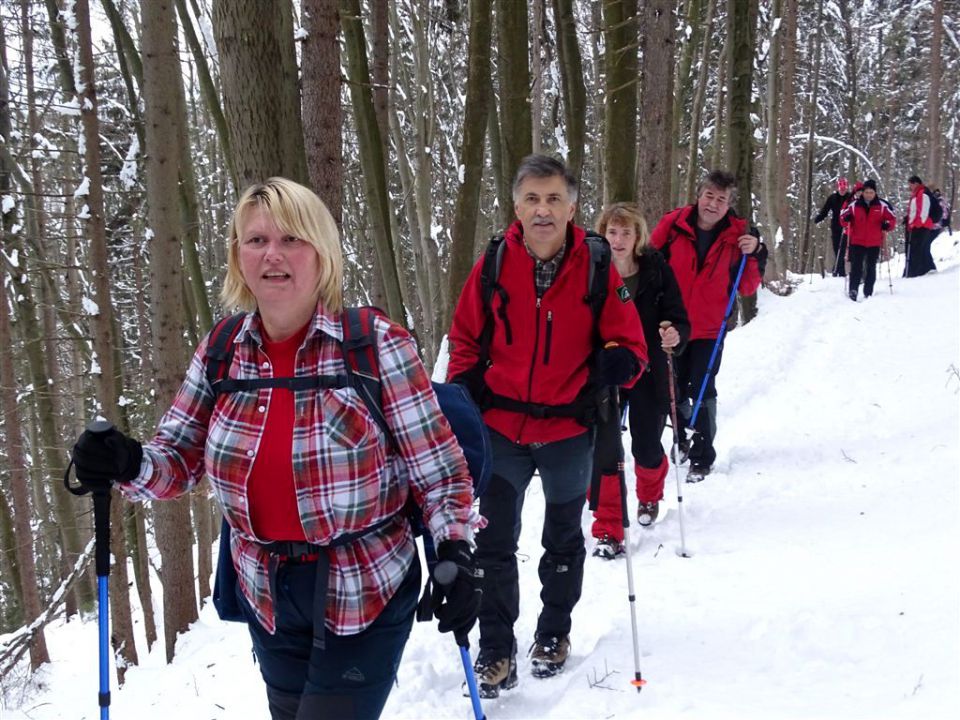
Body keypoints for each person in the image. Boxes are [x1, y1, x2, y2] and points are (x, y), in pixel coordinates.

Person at [69, 178, 480, 720]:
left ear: (322, 253)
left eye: (291, 239)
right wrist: (128, 461)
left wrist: (455, 550)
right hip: (268, 592)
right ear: (238, 258)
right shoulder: (222, 352)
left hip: (364, 585)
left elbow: (440, 471)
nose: (273, 254)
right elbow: (178, 460)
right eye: (256, 240)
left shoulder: (375, 346)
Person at [446, 155, 648, 695]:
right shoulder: (492, 263)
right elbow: (464, 336)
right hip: (501, 430)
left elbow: (631, 342)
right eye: (532, 199)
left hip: (568, 429)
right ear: (516, 206)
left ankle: (554, 633)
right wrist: (465, 386)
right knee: (492, 546)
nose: (543, 210)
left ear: (572, 206)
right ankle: (495, 649)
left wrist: (620, 362)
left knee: (562, 541)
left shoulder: (597, 263)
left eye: (554, 199)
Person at [649, 170, 767, 482]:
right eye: (709, 196)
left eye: (721, 199)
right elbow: (648, 262)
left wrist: (755, 254)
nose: (713, 204)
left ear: (729, 204)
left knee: (701, 388)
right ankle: (681, 440)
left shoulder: (740, 235)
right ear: (699, 195)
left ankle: (702, 455)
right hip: (670, 325)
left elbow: (747, 287)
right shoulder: (673, 225)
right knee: (673, 389)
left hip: (710, 329)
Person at [588, 202, 690, 559]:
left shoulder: (656, 269)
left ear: (637, 237)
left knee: (645, 445)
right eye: (611, 232)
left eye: (625, 233)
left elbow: (677, 315)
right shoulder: (590, 268)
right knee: (605, 453)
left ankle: (649, 494)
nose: (617, 240)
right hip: (606, 371)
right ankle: (609, 529)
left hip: (648, 370)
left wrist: (674, 333)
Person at [838, 178, 897, 301]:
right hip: (857, 241)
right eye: (866, 192)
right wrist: (846, 219)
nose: (869, 195)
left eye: (871, 192)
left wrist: (887, 226)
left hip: (874, 242)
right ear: (863, 192)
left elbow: (892, 218)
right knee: (856, 267)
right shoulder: (854, 206)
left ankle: (868, 290)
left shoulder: (882, 206)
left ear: (875, 193)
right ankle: (853, 290)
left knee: (871, 267)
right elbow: (842, 218)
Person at [814, 177, 853, 276]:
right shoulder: (832, 198)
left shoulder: (850, 198)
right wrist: (818, 218)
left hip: (848, 226)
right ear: (838, 187)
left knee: (843, 248)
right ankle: (838, 269)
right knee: (837, 248)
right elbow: (825, 211)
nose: (842, 190)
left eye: (844, 188)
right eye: (841, 187)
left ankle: (840, 270)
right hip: (836, 226)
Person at [905, 175, 937, 277]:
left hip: (921, 227)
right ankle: (923, 269)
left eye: (911, 184)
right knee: (921, 248)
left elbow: (922, 211)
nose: (910, 187)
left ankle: (919, 271)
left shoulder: (922, 193)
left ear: (916, 183)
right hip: (917, 226)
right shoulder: (916, 194)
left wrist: (916, 224)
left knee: (919, 248)